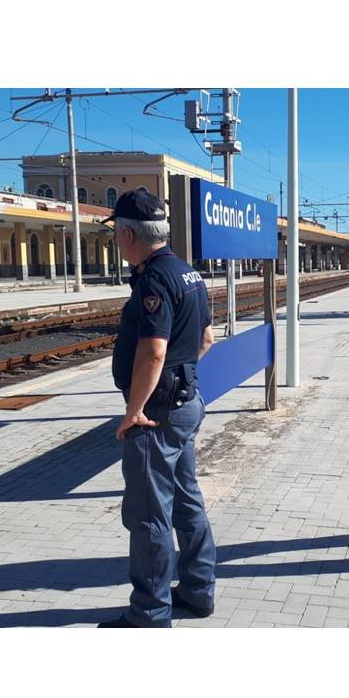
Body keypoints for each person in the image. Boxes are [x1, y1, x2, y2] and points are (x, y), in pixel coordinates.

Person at [98, 188, 217, 628]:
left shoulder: (153, 279)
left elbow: (152, 351)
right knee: (187, 502)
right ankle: (199, 591)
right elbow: (205, 338)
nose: (116, 242)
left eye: (117, 234)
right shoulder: (188, 273)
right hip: (186, 403)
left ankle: (149, 613)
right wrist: (182, 380)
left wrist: (135, 410)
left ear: (128, 234)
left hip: (158, 415)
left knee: (149, 514)